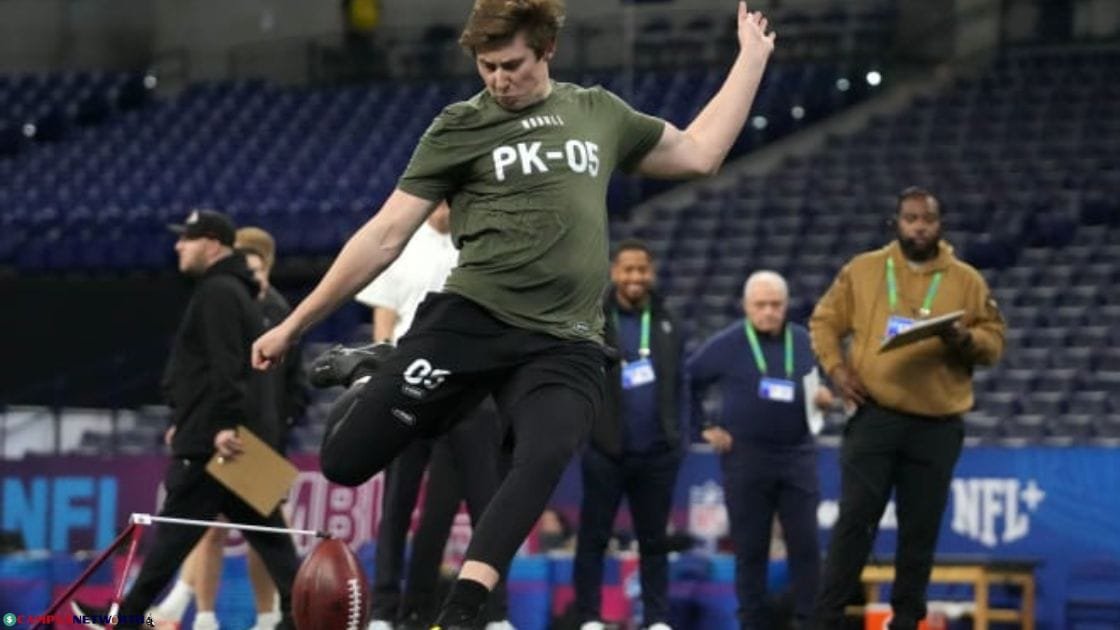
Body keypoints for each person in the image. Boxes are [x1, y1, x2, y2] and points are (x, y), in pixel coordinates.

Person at [252, 1, 776, 625]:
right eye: (487, 66)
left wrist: (752, 58)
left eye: (512, 65)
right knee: (344, 464)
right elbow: (385, 235)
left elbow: (698, 153)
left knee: (545, 454)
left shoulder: (597, 112)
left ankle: (463, 610)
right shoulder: (459, 126)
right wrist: (295, 324)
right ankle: (382, 365)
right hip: (472, 319)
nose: (499, 80)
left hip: (566, 339)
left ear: (547, 50)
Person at [73, 210, 300, 630]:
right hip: (229, 434)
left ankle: (126, 617)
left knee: (175, 535)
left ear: (211, 243)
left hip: (216, 440)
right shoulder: (234, 291)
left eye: (187, 239)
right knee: (269, 538)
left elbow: (225, 363)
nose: (179, 246)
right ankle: (297, 613)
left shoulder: (219, 291)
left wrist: (221, 424)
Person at [808, 188, 1006, 630]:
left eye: (927, 219)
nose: (919, 227)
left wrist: (965, 339)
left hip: (937, 425)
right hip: (875, 415)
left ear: (940, 225)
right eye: (911, 218)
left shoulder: (966, 280)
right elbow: (824, 321)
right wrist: (836, 369)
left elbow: (994, 343)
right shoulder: (864, 270)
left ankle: (906, 621)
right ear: (896, 222)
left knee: (920, 529)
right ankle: (826, 619)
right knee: (855, 519)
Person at [352, 202, 509, 630]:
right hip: (408, 382)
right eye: (441, 198)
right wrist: (380, 374)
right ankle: (385, 610)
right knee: (397, 502)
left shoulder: (481, 244)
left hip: (466, 384)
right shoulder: (401, 244)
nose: (445, 207)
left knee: (486, 503)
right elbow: (384, 317)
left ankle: (495, 614)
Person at [149, 227, 309, 630]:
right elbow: (212, 372)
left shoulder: (275, 310)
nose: (248, 273)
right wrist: (191, 420)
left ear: (266, 265)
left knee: (262, 534)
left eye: (253, 267)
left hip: (253, 439)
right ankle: (202, 614)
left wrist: (276, 425)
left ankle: (270, 615)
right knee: (212, 529)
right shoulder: (233, 301)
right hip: (230, 433)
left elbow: (287, 384)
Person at [687, 271, 833, 630]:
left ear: (786, 305)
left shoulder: (804, 340)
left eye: (775, 305)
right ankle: (752, 624)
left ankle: (811, 623)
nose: (768, 312)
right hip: (746, 459)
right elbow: (687, 380)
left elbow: (822, 383)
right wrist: (702, 427)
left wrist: (825, 396)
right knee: (750, 550)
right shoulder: (729, 342)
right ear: (746, 306)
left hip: (797, 455)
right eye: (760, 305)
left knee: (806, 547)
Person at [573, 239, 688, 630]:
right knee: (593, 537)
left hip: (657, 453)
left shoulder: (669, 321)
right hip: (605, 450)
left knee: (654, 540)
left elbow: (681, 382)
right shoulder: (594, 319)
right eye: (628, 269)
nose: (635, 276)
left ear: (651, 272)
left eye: (642, 269)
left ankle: (656, 619)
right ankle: (589, 616)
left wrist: (677, 438)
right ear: (614, 272)